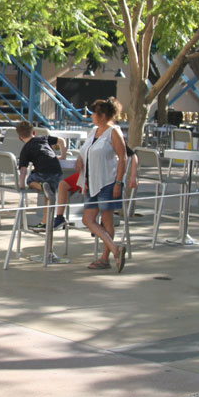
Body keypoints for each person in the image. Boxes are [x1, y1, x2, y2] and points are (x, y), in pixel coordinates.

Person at [70, 97, 130, 272]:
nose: (91, 117)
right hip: (93, 181)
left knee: (106, 220)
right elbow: (86, 150)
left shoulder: (113, 132)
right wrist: (81, 160)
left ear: (103, 115)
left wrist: (119, 182)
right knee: (88, 219)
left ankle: (105, 258)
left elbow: (123, 157)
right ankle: (114, 248)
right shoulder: (94, 131)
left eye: (94, 114)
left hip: (108, 181)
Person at [15, 120, 65, 217]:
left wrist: (21, 185)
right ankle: (45, 222)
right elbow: (61, 141)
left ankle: (41, 186)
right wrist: (63, 156)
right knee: (49, 195)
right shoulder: (44, 138)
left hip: (42, 172)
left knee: (30, 181)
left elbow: (23, 170)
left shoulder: (25, 149)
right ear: (34, 132)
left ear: (19, 138)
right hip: (57, 171)